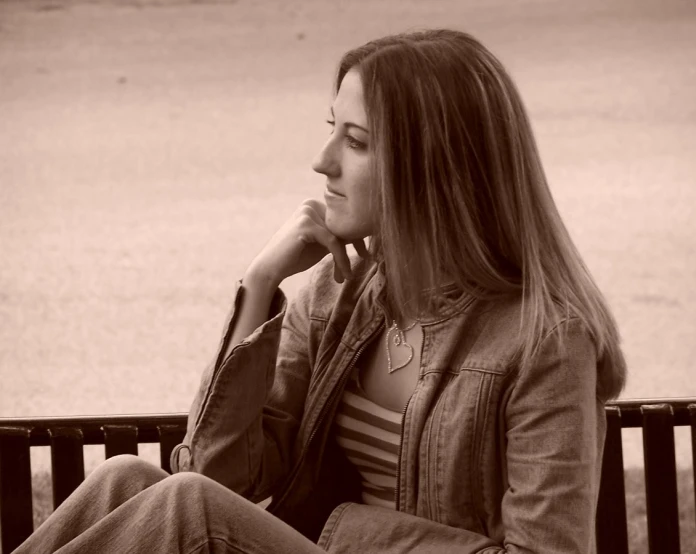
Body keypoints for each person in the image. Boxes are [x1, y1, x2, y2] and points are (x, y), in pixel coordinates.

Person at [15, 28, 627, 554]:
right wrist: (259, 286)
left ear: (436, 168)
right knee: (124, 478)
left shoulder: (546, 341)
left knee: (190, 509)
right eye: (332, 129)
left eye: (356, 142)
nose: (322, 160)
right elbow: (216, 474)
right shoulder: (337, 297)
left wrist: (343, 530)